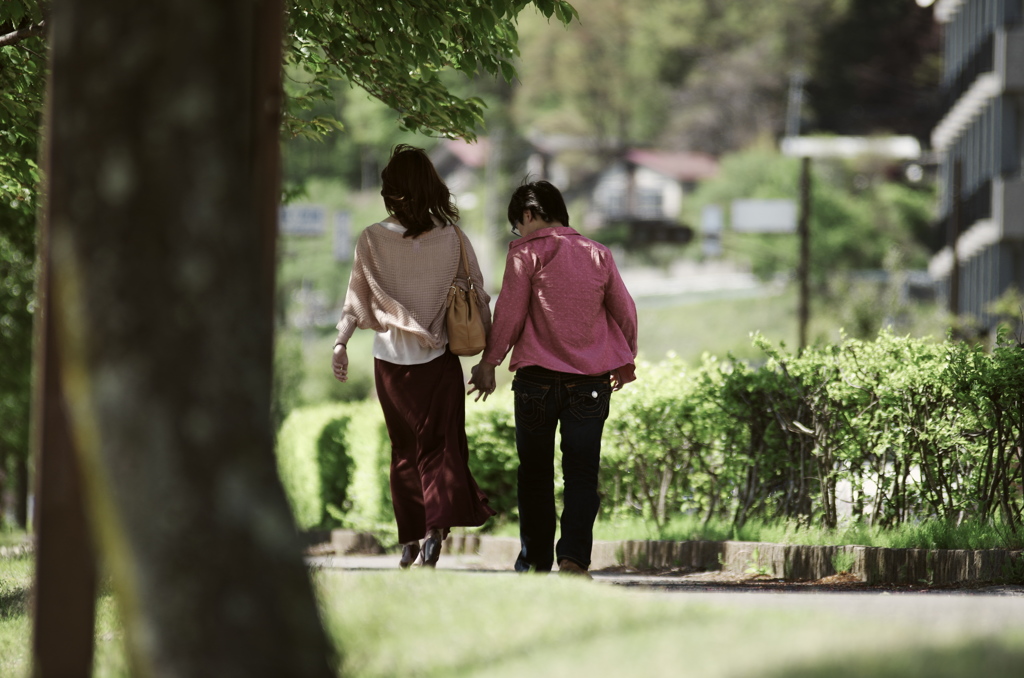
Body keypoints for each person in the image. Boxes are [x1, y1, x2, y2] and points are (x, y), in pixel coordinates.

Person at [332, 144, 496, 569]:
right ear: (431, 188)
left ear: (391, 192)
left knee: (403, 450)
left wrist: (340, 343)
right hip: (439, 362)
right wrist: (489, 359)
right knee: (439, 449)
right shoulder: (454, 238)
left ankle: (409, 540)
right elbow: (479, 296)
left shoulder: (370, 239)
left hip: (390, 364)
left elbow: (355, 299)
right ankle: (434, 532)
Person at [469, 180, 637, 578]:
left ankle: (534, 563)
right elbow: (625, 313)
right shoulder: (598, 254)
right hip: (590, 384)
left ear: (528, 214)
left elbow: (509, 314)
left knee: (535, 475)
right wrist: (624, 359)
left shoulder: (526, 254)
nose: (519, 233)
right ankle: (574, 560)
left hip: (536, 383)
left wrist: (488, 363)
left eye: (517, 225)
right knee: (582, 474)